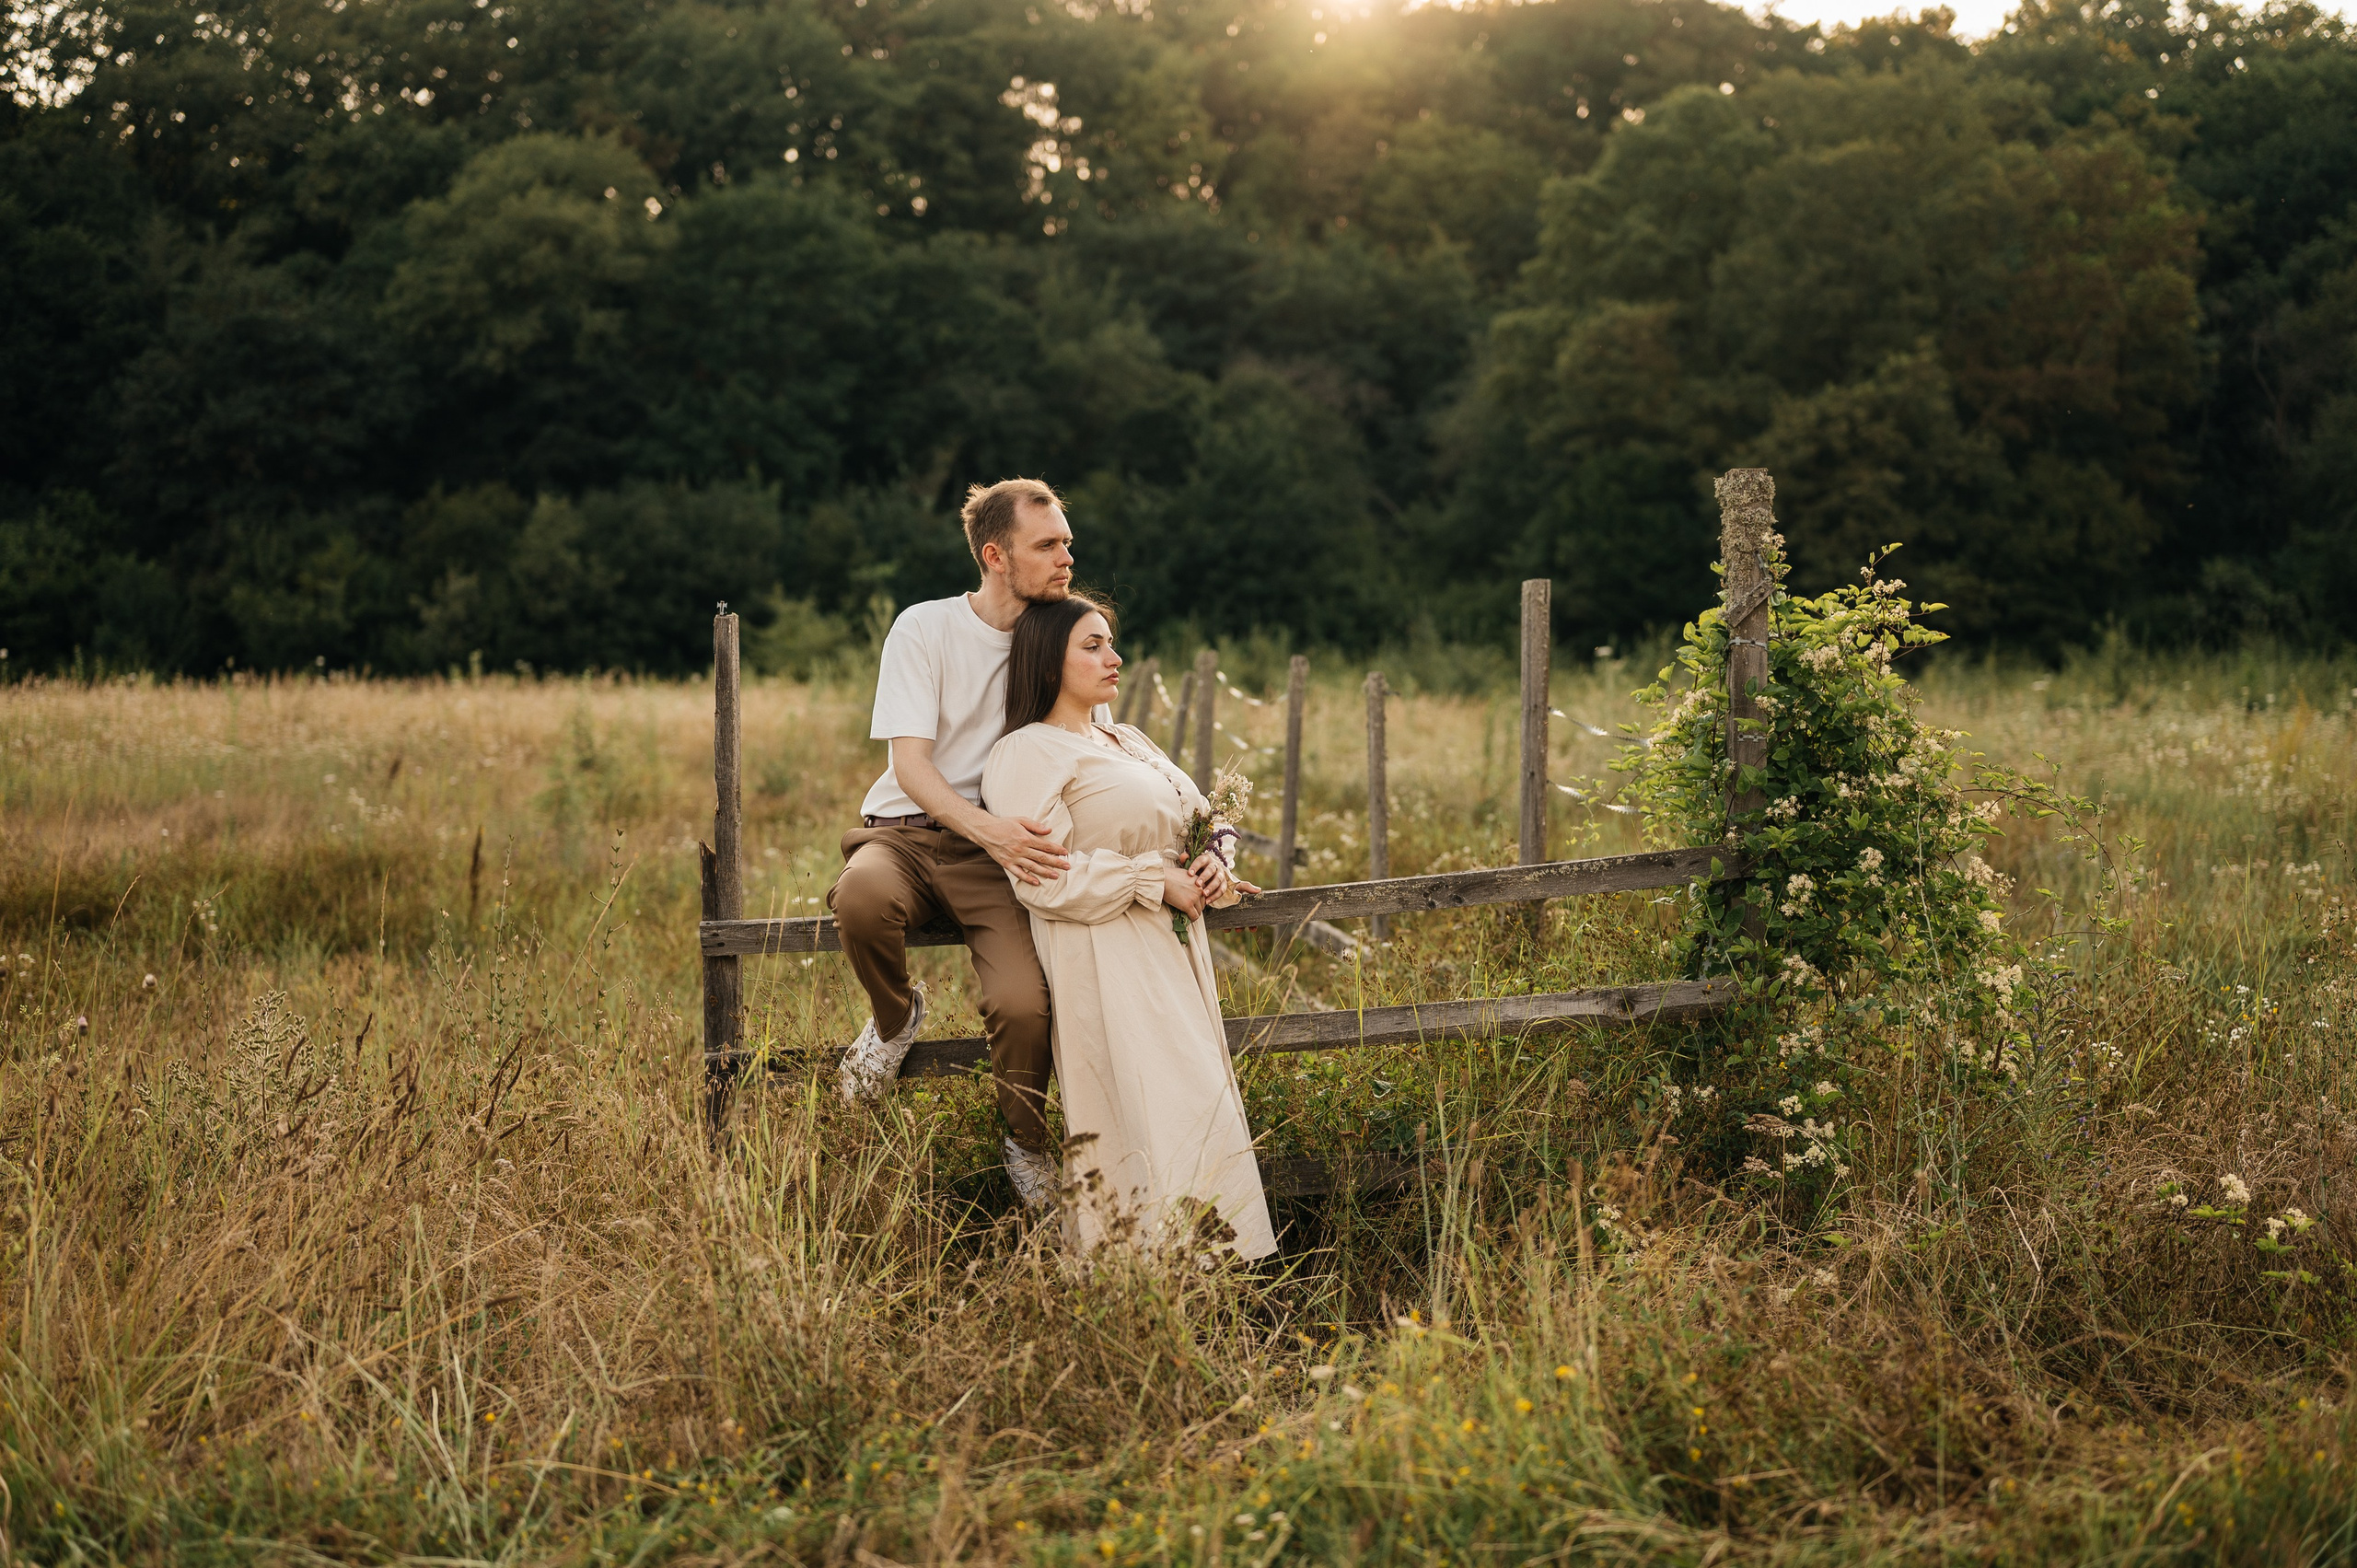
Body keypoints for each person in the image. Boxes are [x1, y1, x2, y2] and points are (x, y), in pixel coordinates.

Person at [979, 593, 1278, 1262]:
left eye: (1111, 642)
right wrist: (1149, 878)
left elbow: (1201, 815)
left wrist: (1210, 863)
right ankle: (1142, 1288)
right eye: (1092, 645)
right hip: (1108, 963)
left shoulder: (1127, 740)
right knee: (1147, 1118)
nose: (1114, 658)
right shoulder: (1025, 753)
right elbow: (1040, 878)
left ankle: (1218, 1275)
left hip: (1172, 960)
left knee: (1197, 1113)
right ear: (1046, 660)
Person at [828, 477, 1097, 1214]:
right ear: (996, 555)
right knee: (859, 896)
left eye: (1067, 541)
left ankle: (1027, 1141)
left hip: (998, 857)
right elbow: (909, 764)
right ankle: (894, 1020)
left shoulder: (1059, 635)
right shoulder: (925, 628)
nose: (1066, 556)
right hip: (907, 836)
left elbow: (1097, 749)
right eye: (1048, 545)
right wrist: (990, 830)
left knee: (1022, 1003)